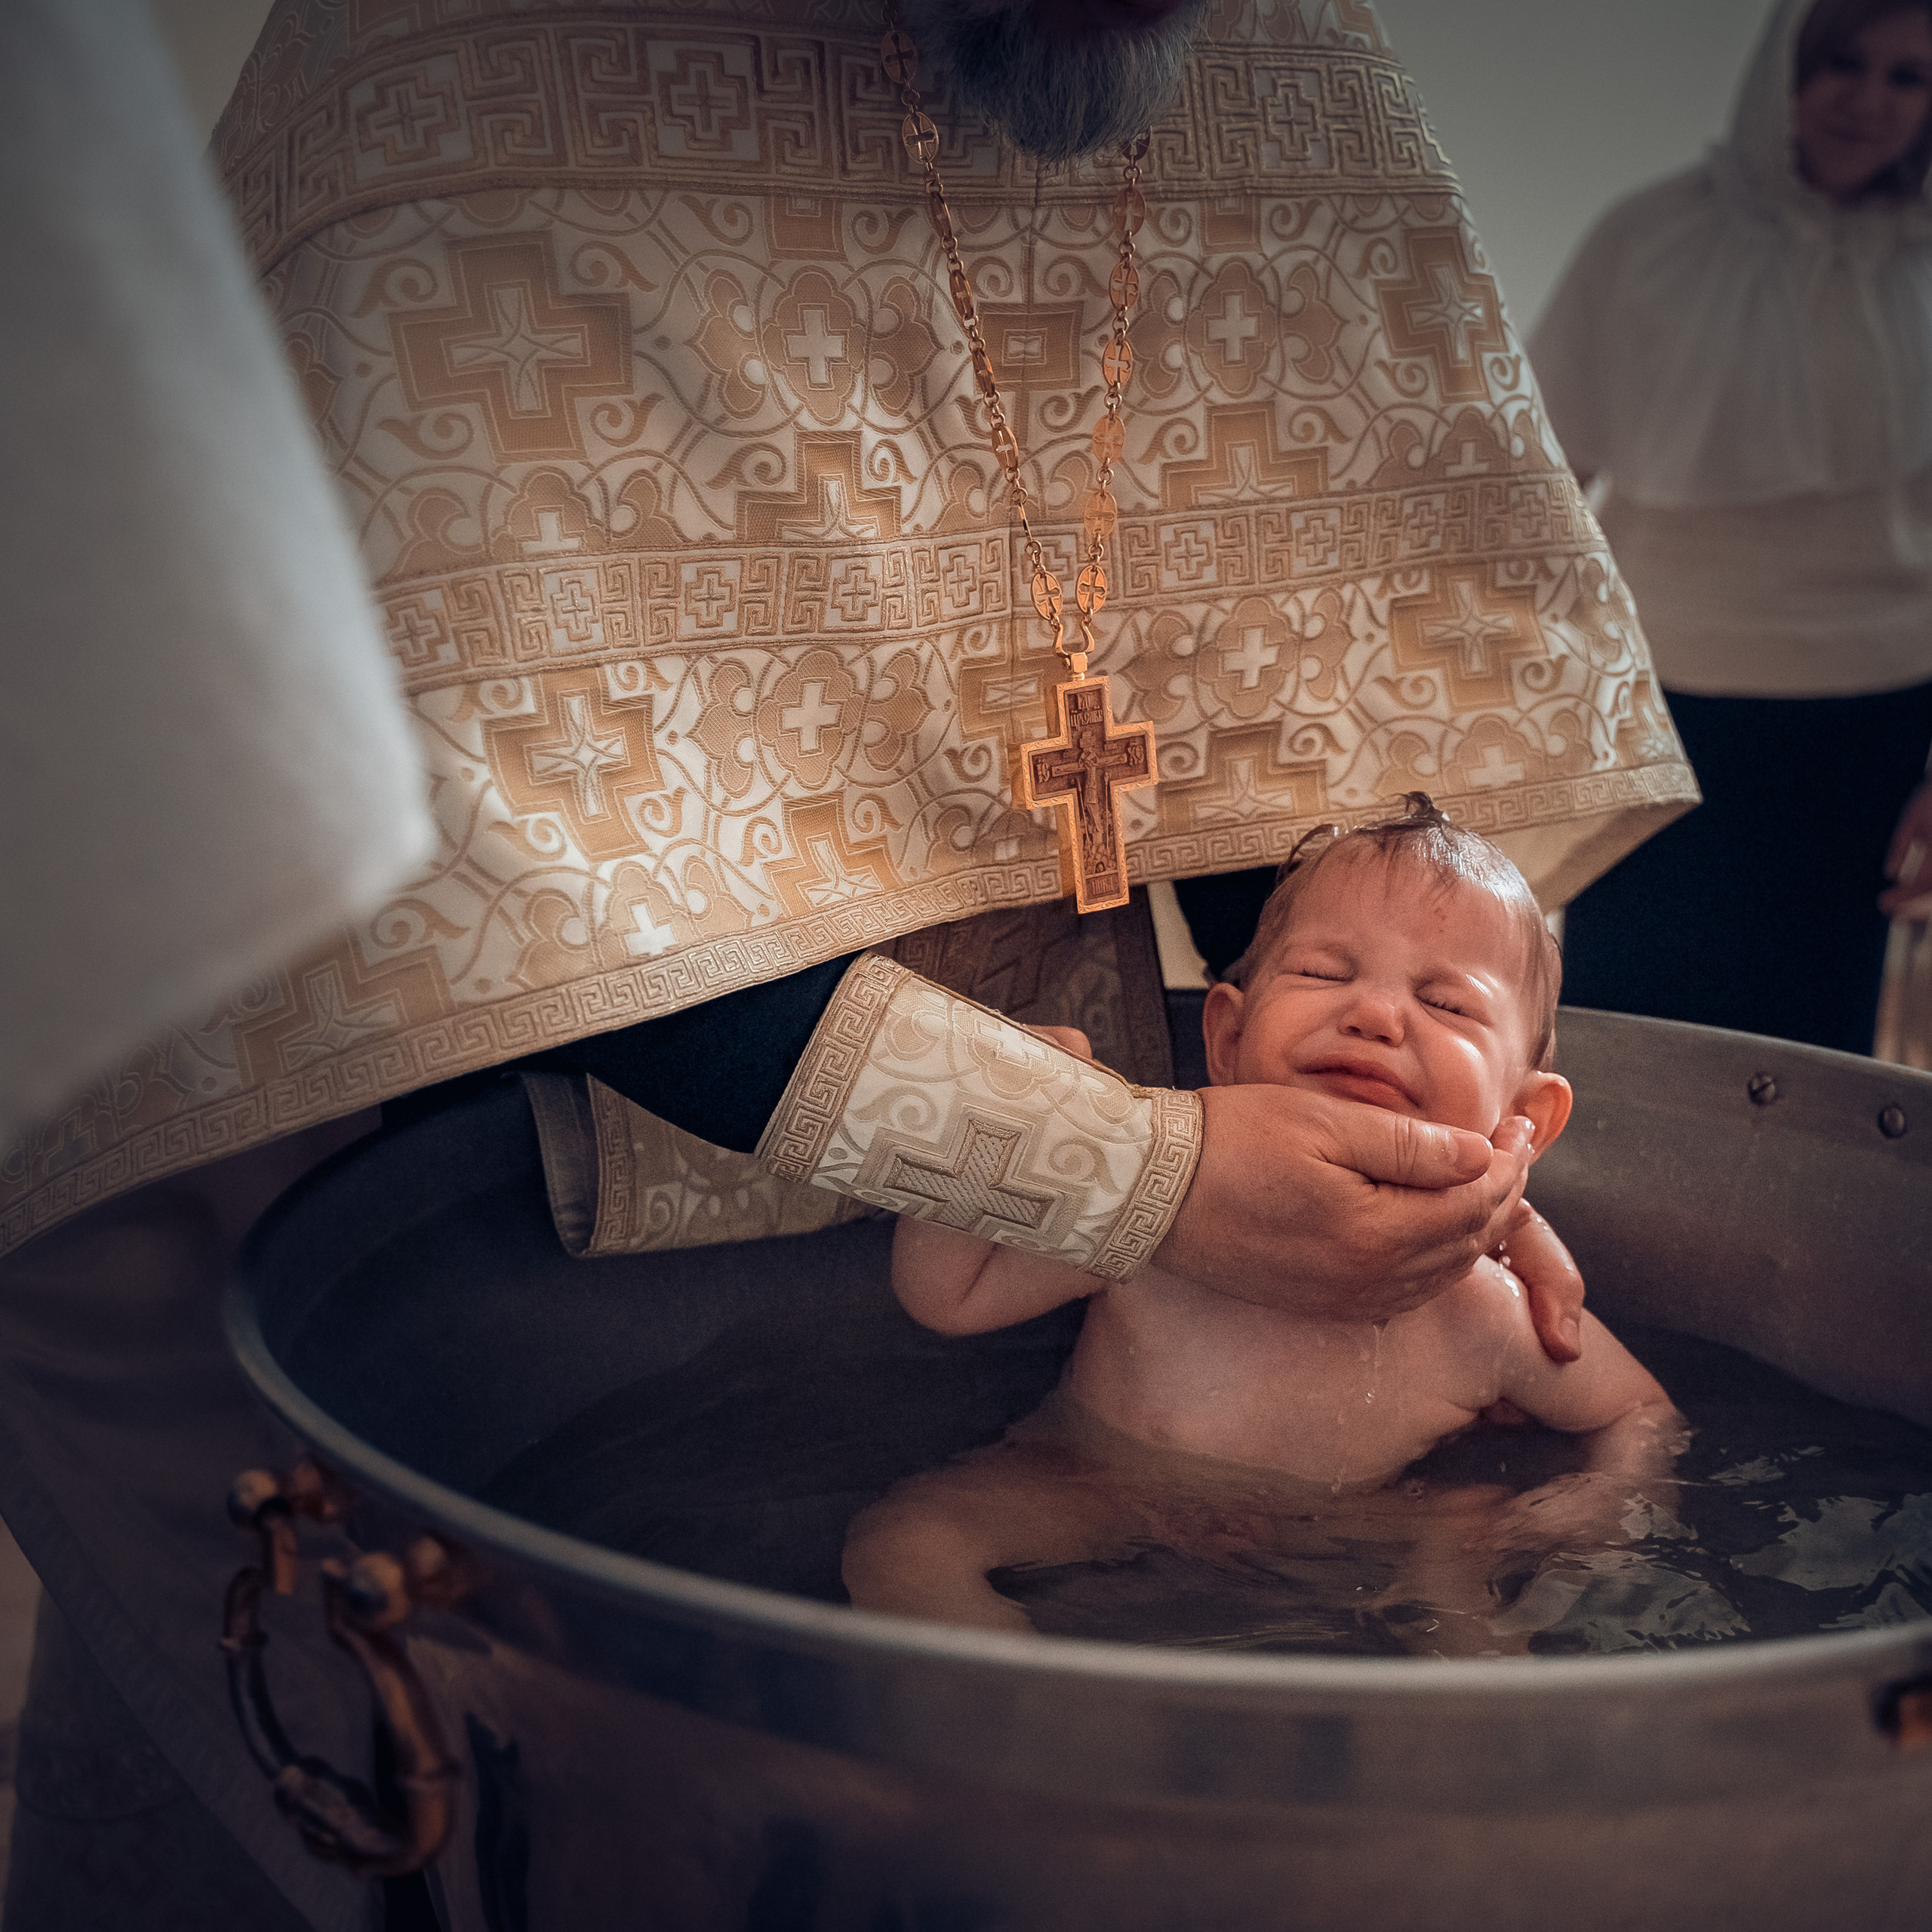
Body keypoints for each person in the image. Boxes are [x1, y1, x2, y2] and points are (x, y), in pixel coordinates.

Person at [0, 0, 1695, 1924]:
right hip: (475, 1137)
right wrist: (1141, 1163)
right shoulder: (457, 58)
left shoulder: (1272, 58)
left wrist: (1368, 1137)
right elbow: (473, 827)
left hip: (1142, 1188)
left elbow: (1338, 743)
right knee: (412, 1759)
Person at [844, 800, 1679, 1640]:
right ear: (1227, 1036)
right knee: (906, 1544)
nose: (1375, 1015)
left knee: (1461, 1607)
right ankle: (1032, 1748)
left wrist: (1568, 1515)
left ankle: (1458, 1734)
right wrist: (1004, 1116)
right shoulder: (1162, 1207)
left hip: (1369, 1526)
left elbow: (1637, 1416)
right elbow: (948, 1294)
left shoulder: (1475, 1306)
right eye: (1323, 973)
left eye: (1447, 1003)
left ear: (1527, 1114)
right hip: (1091, 1478)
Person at [1534, 0, 1932, 1056]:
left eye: (1908, 77)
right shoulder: (1651, 238)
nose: (1870, 101)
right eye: (1844, 62)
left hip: (1875, 725)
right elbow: (1539, 487)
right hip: (1661, 711)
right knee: (1624, 1041)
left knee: (1816, 1063)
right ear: (1784, 72)